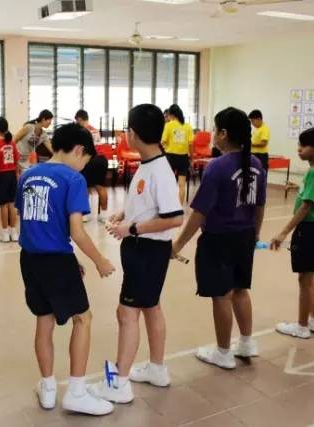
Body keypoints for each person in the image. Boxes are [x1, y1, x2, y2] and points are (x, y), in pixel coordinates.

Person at [16, 123, 115, 415]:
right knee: (83, 319)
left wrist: (71, 260)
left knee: (44, 320)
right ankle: (77, 392)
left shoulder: (28, 174)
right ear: (79, 150)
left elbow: (33, 222)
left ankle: (48, 389)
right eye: (85, 161)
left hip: (30, 259)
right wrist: (100, 260)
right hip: (57, 261)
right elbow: (77, 232)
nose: (83, 167)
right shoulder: (73, 179)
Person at [90, 104, 184, 403]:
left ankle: (119, 384)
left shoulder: (160, 170)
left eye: (126, 130)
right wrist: (124, 214)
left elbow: (175, 218)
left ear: (133, 133)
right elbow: (149, 204)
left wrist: (132, 228)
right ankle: (157, 369)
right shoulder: (149, 164)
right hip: (143, 249)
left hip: (147, 251)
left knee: (126, 313)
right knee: (151, 307)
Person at [172, 107, 266, 370]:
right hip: (245, 236)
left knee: (222, 295)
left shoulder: (217, 167)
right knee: (240, 290)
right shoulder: (256, 164)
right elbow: (260, 206)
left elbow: (199, 212)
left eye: (215, 129)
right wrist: (255, 234)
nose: (213, 134)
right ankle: (246, 343)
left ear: (223, 133)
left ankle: (223, 352)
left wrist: (178, 244)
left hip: (219, 240)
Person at [270, 128, 314, 339]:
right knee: (309, 278)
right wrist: (299, 187)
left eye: (304, 145)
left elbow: (306, 206)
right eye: (299, 144)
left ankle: (301, 326)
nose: (299, 149)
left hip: (310, 230)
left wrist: (283, 233)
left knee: (304, 280)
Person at [75, 109, 109, 223]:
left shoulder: (81, 131)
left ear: (80, 119)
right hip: (102, 159)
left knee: (84, 186)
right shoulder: (95, 130)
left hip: (89, 159)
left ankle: (86, 214)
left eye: (77, 121)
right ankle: (103, 215)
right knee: (101, 187)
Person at [162, 104, 194, 204]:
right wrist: (192, 158)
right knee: (182, 185)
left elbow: (163, 142)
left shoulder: (168, 125)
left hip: (170, 157)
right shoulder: (187, 126)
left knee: (167, 183)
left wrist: (167, 148)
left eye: (168, 115)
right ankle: (180, 207)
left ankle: (167, 206)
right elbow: (191, 144)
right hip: (183, 158)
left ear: (172, 115)